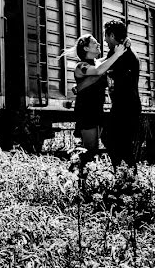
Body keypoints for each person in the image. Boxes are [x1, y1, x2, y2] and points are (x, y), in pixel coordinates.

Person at [59, 34, 130, 162]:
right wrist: (117, 54)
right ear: (86, 48)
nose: (98, 44)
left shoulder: (98, 62)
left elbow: (107, 61)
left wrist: (124, 44)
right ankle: (79, 176)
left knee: (104, 145)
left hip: (97, 110)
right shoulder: (80, 66)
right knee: (90, 151)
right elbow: (98, 70)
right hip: (86, 111)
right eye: (94, 43)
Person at [102, 19, 142, 171]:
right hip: (119, 105)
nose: (105, 40)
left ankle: (128, 178)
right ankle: (122, 174)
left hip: (128, 106)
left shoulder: (127, 56)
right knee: (110, 139)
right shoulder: (115, 53)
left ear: (112, 35)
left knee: (122, 145)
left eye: (106, 36)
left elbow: (103, 69)